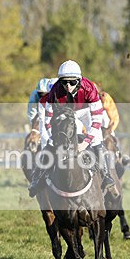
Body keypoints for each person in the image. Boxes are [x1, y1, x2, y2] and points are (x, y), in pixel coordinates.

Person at [27, 60, 116, 197]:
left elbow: (97, 120)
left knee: (97, 139)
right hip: (66, 112)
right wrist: (54, 138)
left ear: (79, 81)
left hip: (86, 112)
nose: (68, 86)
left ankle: (106, 175)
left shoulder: (89, 88)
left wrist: (85, 142)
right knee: (49, 143)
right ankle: (37, 178)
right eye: (64, 82)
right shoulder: (56, 90)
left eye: (72, 82)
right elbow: (48, 120)